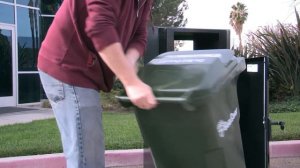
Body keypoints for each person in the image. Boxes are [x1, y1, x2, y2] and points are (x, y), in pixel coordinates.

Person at [37, 0, 157, 167]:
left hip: (86, 68)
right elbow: (100, 26)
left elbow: (140, 36)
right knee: (88, 156)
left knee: (87, 152)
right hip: (67, 65)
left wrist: (128, 62)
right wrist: (131, 82)